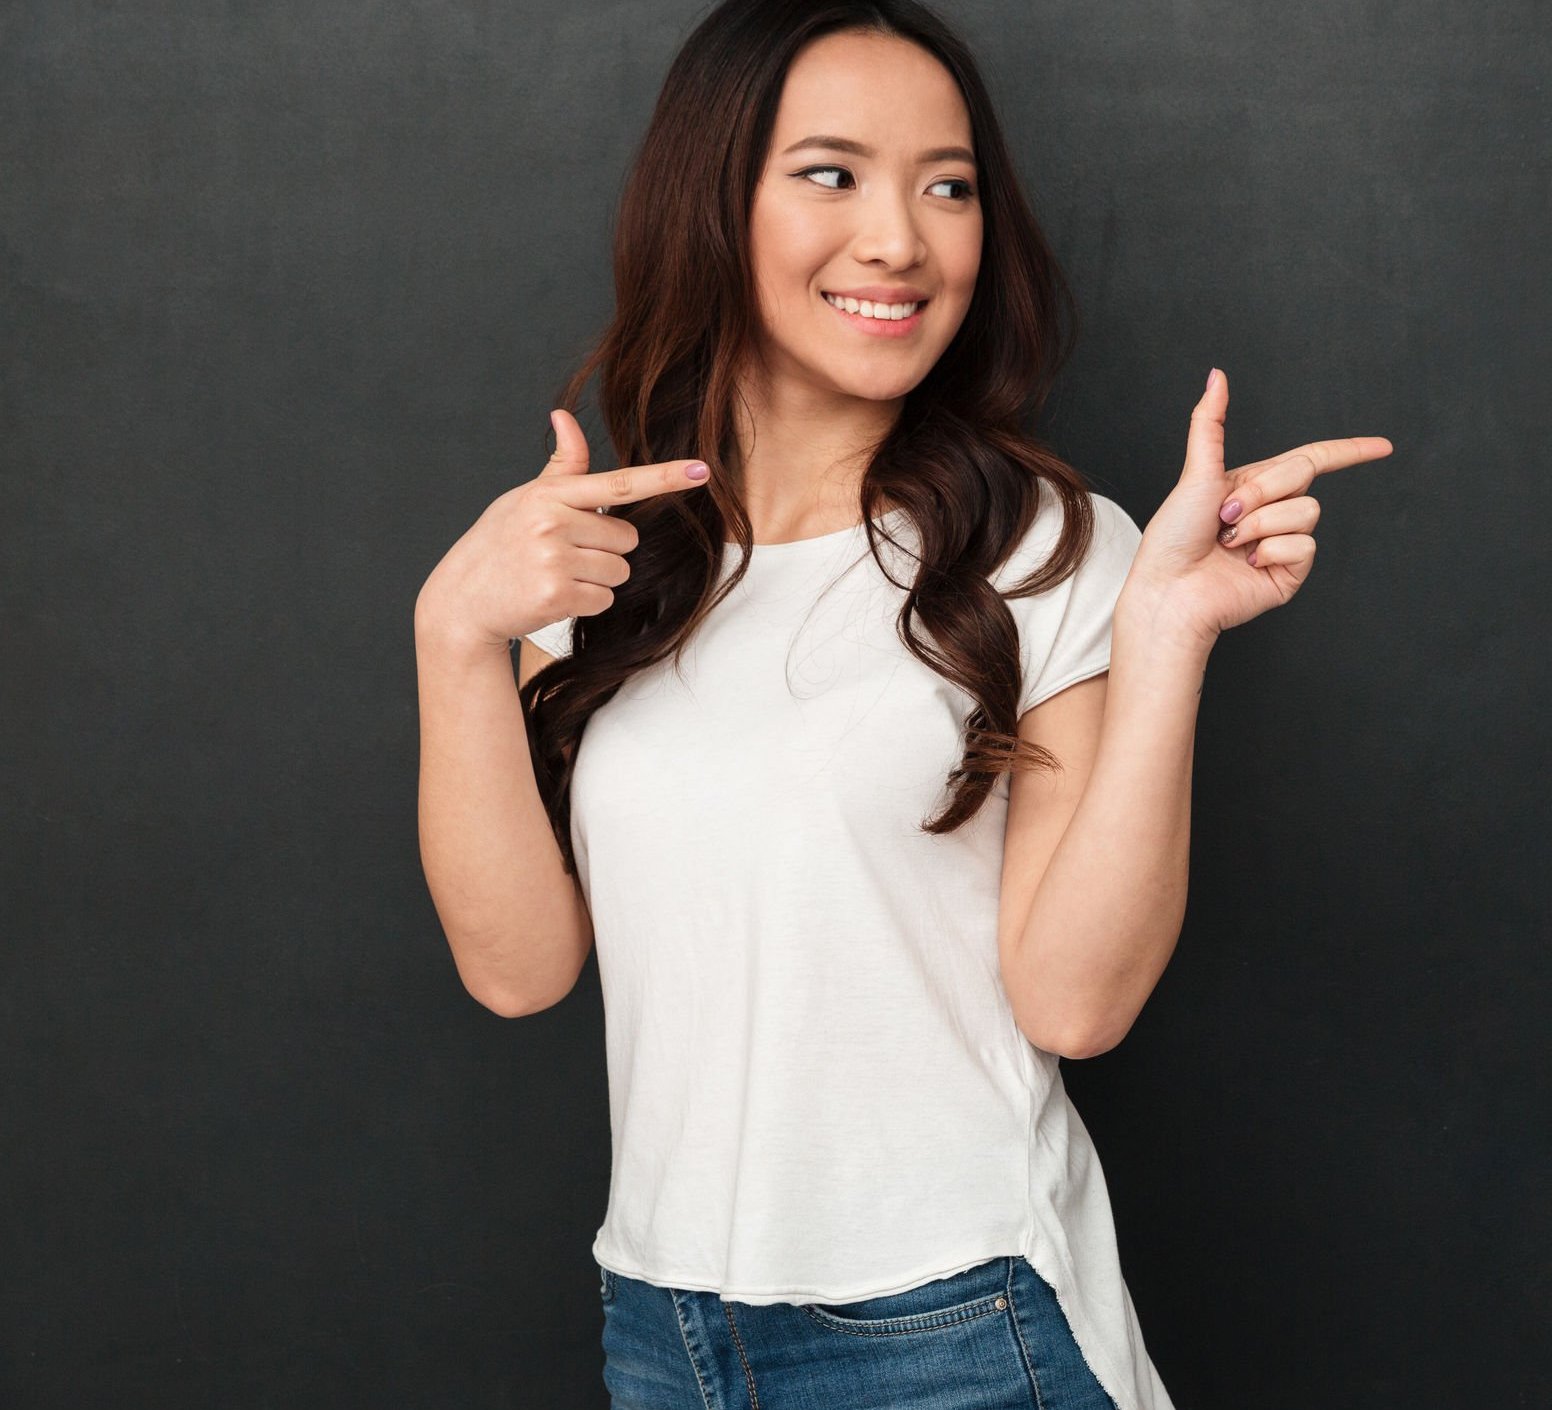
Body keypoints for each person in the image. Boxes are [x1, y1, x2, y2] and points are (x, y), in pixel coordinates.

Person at [411, 0, 1391, 1405]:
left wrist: (1166, 632)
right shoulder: (596, 562)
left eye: (948, 185)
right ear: (712, 205)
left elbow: (1077, 999)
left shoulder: (1048, 546)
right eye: (832, 173)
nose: (901, 239)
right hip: (664, 1326)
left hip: (953, 1328)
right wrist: (454, 632)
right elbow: (520, 969)